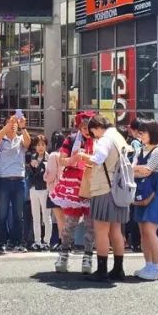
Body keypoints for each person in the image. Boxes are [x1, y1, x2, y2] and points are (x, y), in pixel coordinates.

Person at [77, 115, 131, 282]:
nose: (94, 136)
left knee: (101, 230)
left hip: (103, 189)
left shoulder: (105, 139)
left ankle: (102, 270)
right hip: (119, 188)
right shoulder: (119, 137)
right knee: (116, 230)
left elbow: (97, 159)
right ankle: (118, 269)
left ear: (98, 127)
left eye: (94, 132)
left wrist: (83, 156)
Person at [50, 114, 95, 273]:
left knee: (91, 224)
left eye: (89, 127)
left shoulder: (99, 139)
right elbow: (61, 160)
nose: (87, 131)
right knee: (70, 222)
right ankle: (64, 255)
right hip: (73, 182)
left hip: (91, 181)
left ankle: (88, 258)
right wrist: (76, 158)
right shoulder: (71, 139)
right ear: (79, 127)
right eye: (84, 127)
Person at [131, 118, 158, 280]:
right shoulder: (141, 149)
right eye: (140, 132)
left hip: (154, 193)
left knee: (150, 230)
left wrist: (134, 169)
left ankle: (157, 268)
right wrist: (137, 169)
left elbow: (146, 170)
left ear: (152, 133)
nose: (141, 135)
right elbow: (136, 170)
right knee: (142, 231)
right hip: (142, 192)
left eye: (143, 132)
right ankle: (148, 265)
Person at [0, 112, 31, 252]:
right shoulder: (2, 141)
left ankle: (17, 242)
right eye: (11, 123)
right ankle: (0, 242)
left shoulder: (20, 139)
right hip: (4, 181)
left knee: (18, 214)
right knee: (2, 214)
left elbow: (28, 142)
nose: (14, 125)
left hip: (19, 180)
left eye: (15, 123)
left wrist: (23, 127)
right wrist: (7, 126)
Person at [26, 134, 52, 250]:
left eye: (42, 145)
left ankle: (47, 241)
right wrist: (31, 165)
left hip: (45, 189)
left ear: (46, 146)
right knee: (35, 216)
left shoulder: (50, 158)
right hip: (33, 189)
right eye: (38, 145)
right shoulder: (32, 157)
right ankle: (37, 241)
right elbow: (29, 174)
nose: (40, 147)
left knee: (46, 216)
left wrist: (42, 166)